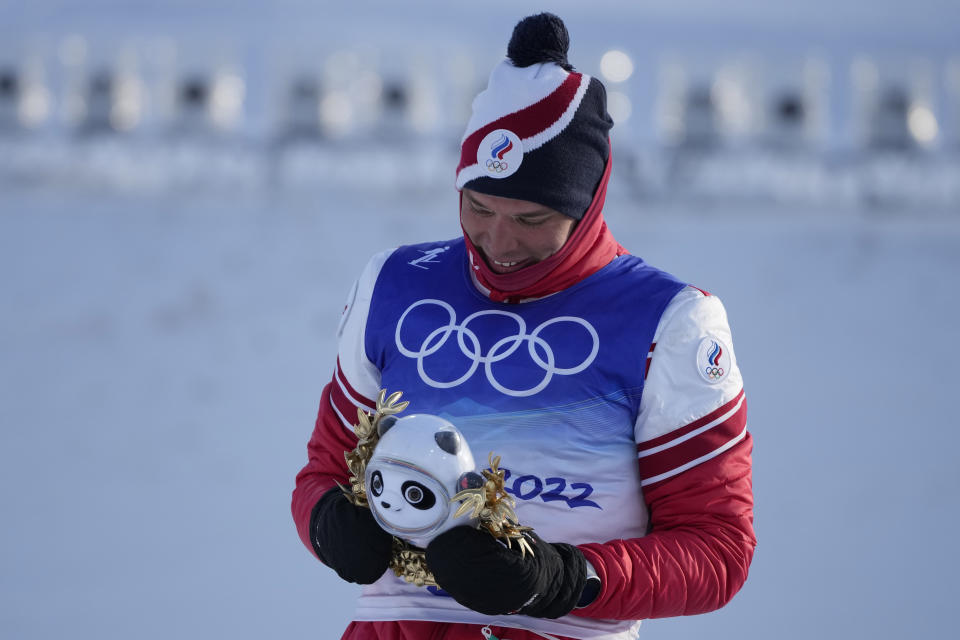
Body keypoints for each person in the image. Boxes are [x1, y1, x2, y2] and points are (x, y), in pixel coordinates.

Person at [292, 12, 755, 640]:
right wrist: (328, 523)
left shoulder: (670, 322)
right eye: (478, 206)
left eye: (533, 219)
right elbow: (324, 470)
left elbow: (717, 552)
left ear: (588, 204)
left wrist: (565, 578)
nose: (498, 240)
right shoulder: (394, 285)